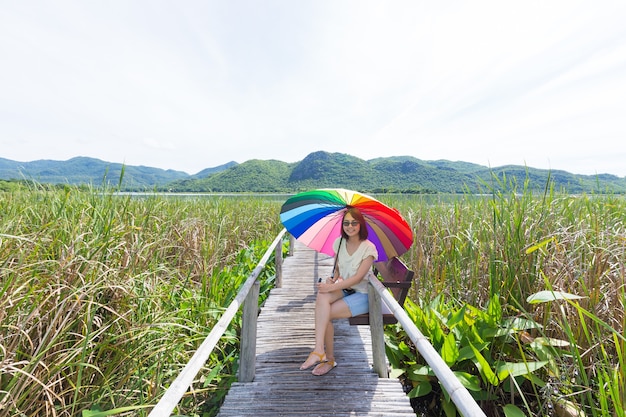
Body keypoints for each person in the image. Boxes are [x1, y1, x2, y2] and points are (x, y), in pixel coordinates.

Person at [299, 206, 378, 376]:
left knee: (325, 312)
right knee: (322, 296)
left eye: (354, 223)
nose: (350, 227)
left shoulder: (368, 249)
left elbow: (357, 278)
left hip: (363, 294)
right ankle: (320, 349)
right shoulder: (340, 242)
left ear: (361, 225)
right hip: (346, 288)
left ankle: (328, 358)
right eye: (346, 223)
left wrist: (332, 286)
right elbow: (338, 269)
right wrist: (333, 279)